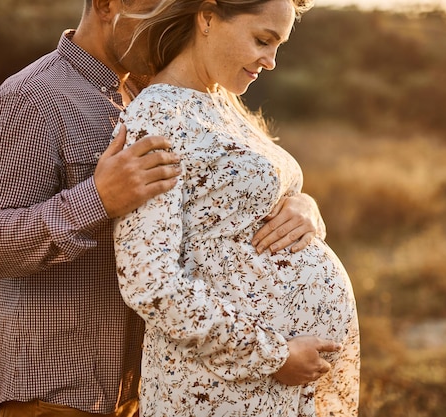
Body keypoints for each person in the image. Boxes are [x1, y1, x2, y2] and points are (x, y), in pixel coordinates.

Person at [0, 0, 333, 415]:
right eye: (156, 5)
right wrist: (97, 200)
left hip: (149, 386)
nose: (170, 15)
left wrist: (300, 203)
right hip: (60, 394)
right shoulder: (33, 99)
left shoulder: (160, 93)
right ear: (107, 5)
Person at [112, 0, 361, 416]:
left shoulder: (223, 104)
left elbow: (251, 205)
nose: (272, 61)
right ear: (207, 17)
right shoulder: (158, 116)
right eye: (263, 40)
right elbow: (150, 283)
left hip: (269, 384)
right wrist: (274, 355)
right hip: (221, 385)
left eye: (278, 45)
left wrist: (306, 205)